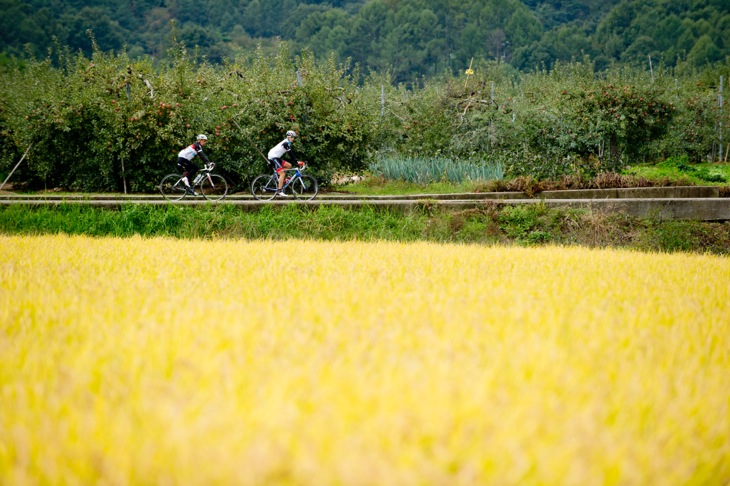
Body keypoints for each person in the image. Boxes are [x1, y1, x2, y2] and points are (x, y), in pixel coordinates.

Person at [267, 130, 300, 196]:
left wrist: (296, 161)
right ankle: (279, 190)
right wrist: (297, 162)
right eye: (292, 137)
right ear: (288, 137)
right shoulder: (285, 143)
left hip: (277, 157)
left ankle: (281, 180)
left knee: (289, 165)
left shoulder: (287, 143)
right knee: (282, 173)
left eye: (294, 137)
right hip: (273, 157)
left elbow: (291, 153)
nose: (293, 138)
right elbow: (290, 153)